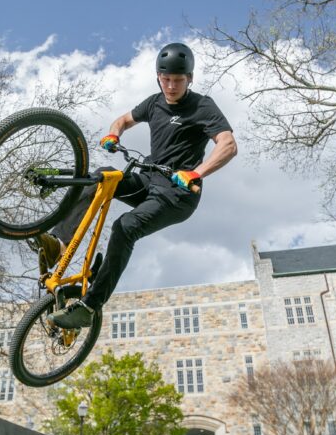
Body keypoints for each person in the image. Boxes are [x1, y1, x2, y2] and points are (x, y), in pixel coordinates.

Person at [34, 42, 237, 330]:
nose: (171, 86)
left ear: (189, 78)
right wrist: (113, 134)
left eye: (178, 80)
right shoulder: (154, 103)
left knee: (125, 227)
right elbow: (124, 120)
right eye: (165, 79)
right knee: (103, 176)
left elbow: (228, 144)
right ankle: (59, 244)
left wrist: (197, 173)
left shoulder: (202, 106)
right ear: (158, 77)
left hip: (177, 195)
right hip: (148, 180)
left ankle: (89, 306)